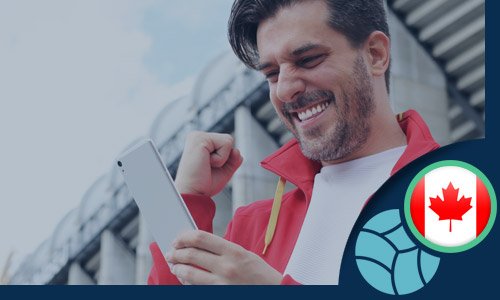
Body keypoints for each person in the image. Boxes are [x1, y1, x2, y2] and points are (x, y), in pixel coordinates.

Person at [148, 0, 439, 285]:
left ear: (375, 55)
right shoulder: (252, 226)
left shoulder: (457, 200)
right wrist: (187, 202)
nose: (285, 89)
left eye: (308, 60)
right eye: (272, 74)